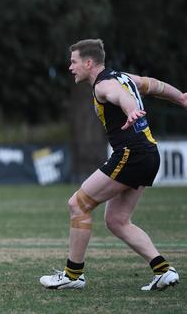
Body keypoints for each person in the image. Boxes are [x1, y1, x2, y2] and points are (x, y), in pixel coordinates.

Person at [39, 39, 181, 291]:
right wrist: (180, 98)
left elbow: (119, 95)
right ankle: (163, 270)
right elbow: (152, 84)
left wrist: (130, 111)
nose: (70, 67)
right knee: (117, 220)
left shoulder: (104, 85)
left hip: (132, 154)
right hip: (148, 154)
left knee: (78, 204)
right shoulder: (122, 76)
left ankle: (73, 276)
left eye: (73, 62)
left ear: (88, 62)